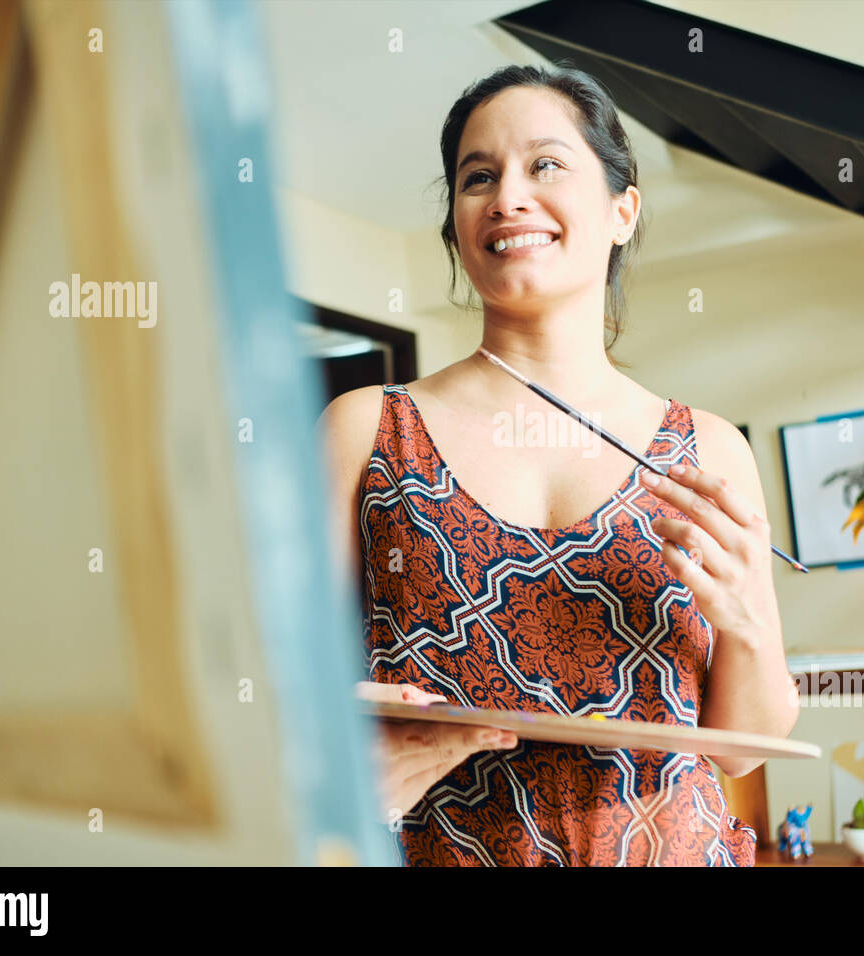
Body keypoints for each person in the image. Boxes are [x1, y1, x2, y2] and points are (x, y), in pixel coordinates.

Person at [320, 64, 797, 865]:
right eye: (478, 177)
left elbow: (741, 749)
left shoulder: (707, 449)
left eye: (545, 164)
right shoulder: (366, 429)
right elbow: (284, 696)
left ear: (621, 209)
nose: (507, 196)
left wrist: (747, 626)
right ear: (456, 228)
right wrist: (339, 769)